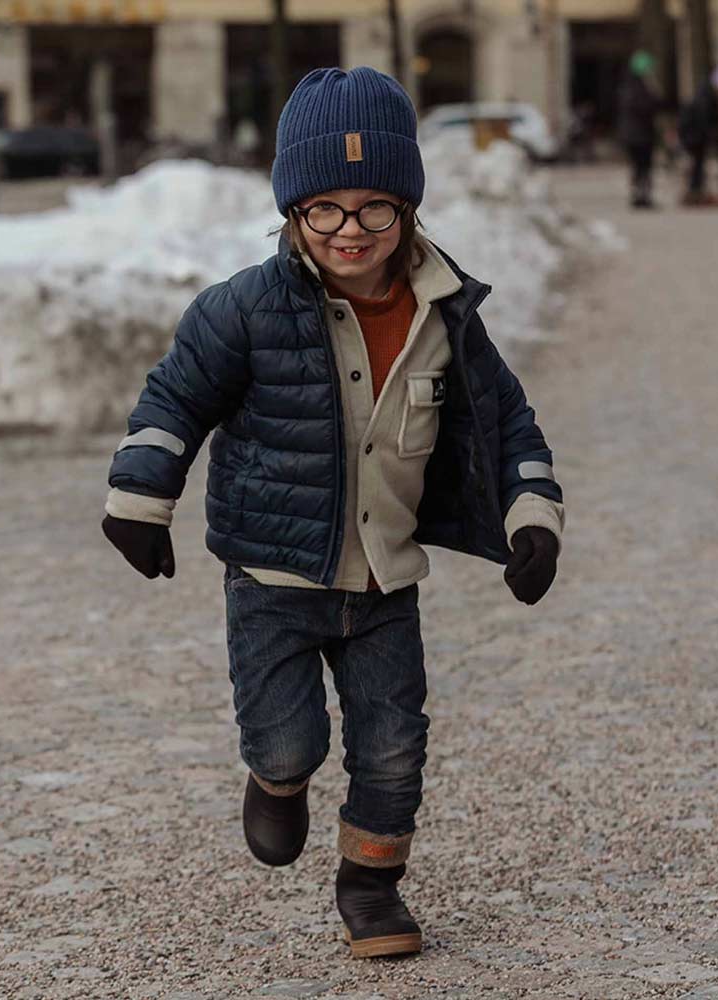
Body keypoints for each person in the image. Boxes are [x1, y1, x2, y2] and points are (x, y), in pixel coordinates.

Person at [100, 66, 565, 960]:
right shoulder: (241, 310)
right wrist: (139, 500)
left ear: (409, 209)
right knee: (288, 739)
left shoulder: (445, 317)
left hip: (386, 579)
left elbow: (507, 423)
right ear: (292, 213)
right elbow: (174, 400)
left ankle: (371, 886)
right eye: (325, 209)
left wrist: (531, 518)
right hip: (274, 579)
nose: (350, 231)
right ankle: (275, 781)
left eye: (374, 208)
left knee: (394, 749)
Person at [678, 65, 718, 205]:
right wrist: (715, 137)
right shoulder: (707, 97)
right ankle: (694, 192)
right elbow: (706, 120)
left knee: (697, 165)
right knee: (697, 165)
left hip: (693, 134)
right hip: (694, 135)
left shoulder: (705, 93)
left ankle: (695, 191)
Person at [617, 50, 662, 208]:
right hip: (641, 136)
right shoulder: (641, 88)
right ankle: (642, 196)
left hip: (634, 135)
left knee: (638, 167)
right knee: (643, 167)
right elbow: (651, 106)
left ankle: (639, 195)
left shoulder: (628, 86)